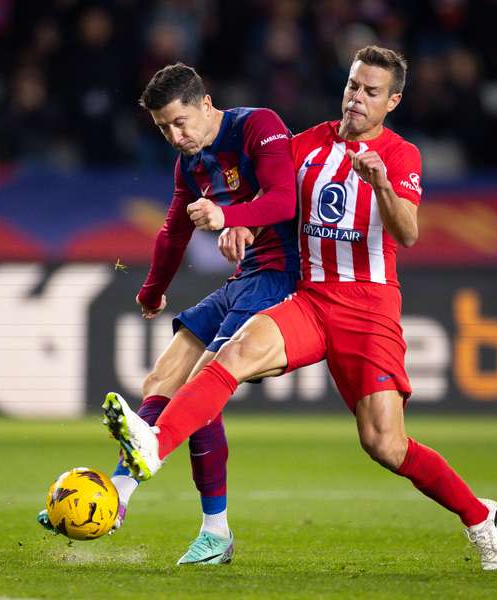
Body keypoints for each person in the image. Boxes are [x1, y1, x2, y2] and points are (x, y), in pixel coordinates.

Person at [103, 46, 497, 571]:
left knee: (385, 444)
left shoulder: (401, 155)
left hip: (369, 308)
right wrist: (241, 224)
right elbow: (273, 197)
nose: (356, 99)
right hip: (311, 298)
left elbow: (407, 233)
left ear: (393, 101)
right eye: (352, 86)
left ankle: (480, 517)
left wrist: (381, 184)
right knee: (230, 357)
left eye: (370, 92)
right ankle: (152, 446)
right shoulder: (306, 145)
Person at [42, 63, 299, 566]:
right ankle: (116, 498)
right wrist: (152, 291)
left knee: (201, 391)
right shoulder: (191, 165)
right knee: (162, 376)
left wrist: (230, 215)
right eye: (163, 128)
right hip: (245, 278)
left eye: (181, 122)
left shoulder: (257, 126)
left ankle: (215, 532)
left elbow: (286, 200)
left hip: (284, 279)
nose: (175, 135)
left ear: (206, 103)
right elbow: (173, 232)